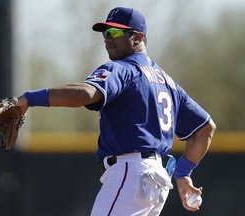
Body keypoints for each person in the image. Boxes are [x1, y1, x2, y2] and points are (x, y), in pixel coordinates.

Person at [16, 7, 216, 216]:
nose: (107, 39)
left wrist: (30, 98)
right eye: (105, 33)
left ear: (138, 37)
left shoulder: (123, 69)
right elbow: (205, 129)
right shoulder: (168, 83)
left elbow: (84, 94)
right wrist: (183, 174)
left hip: (130, 174)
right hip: (155, 181)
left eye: (115, 33)